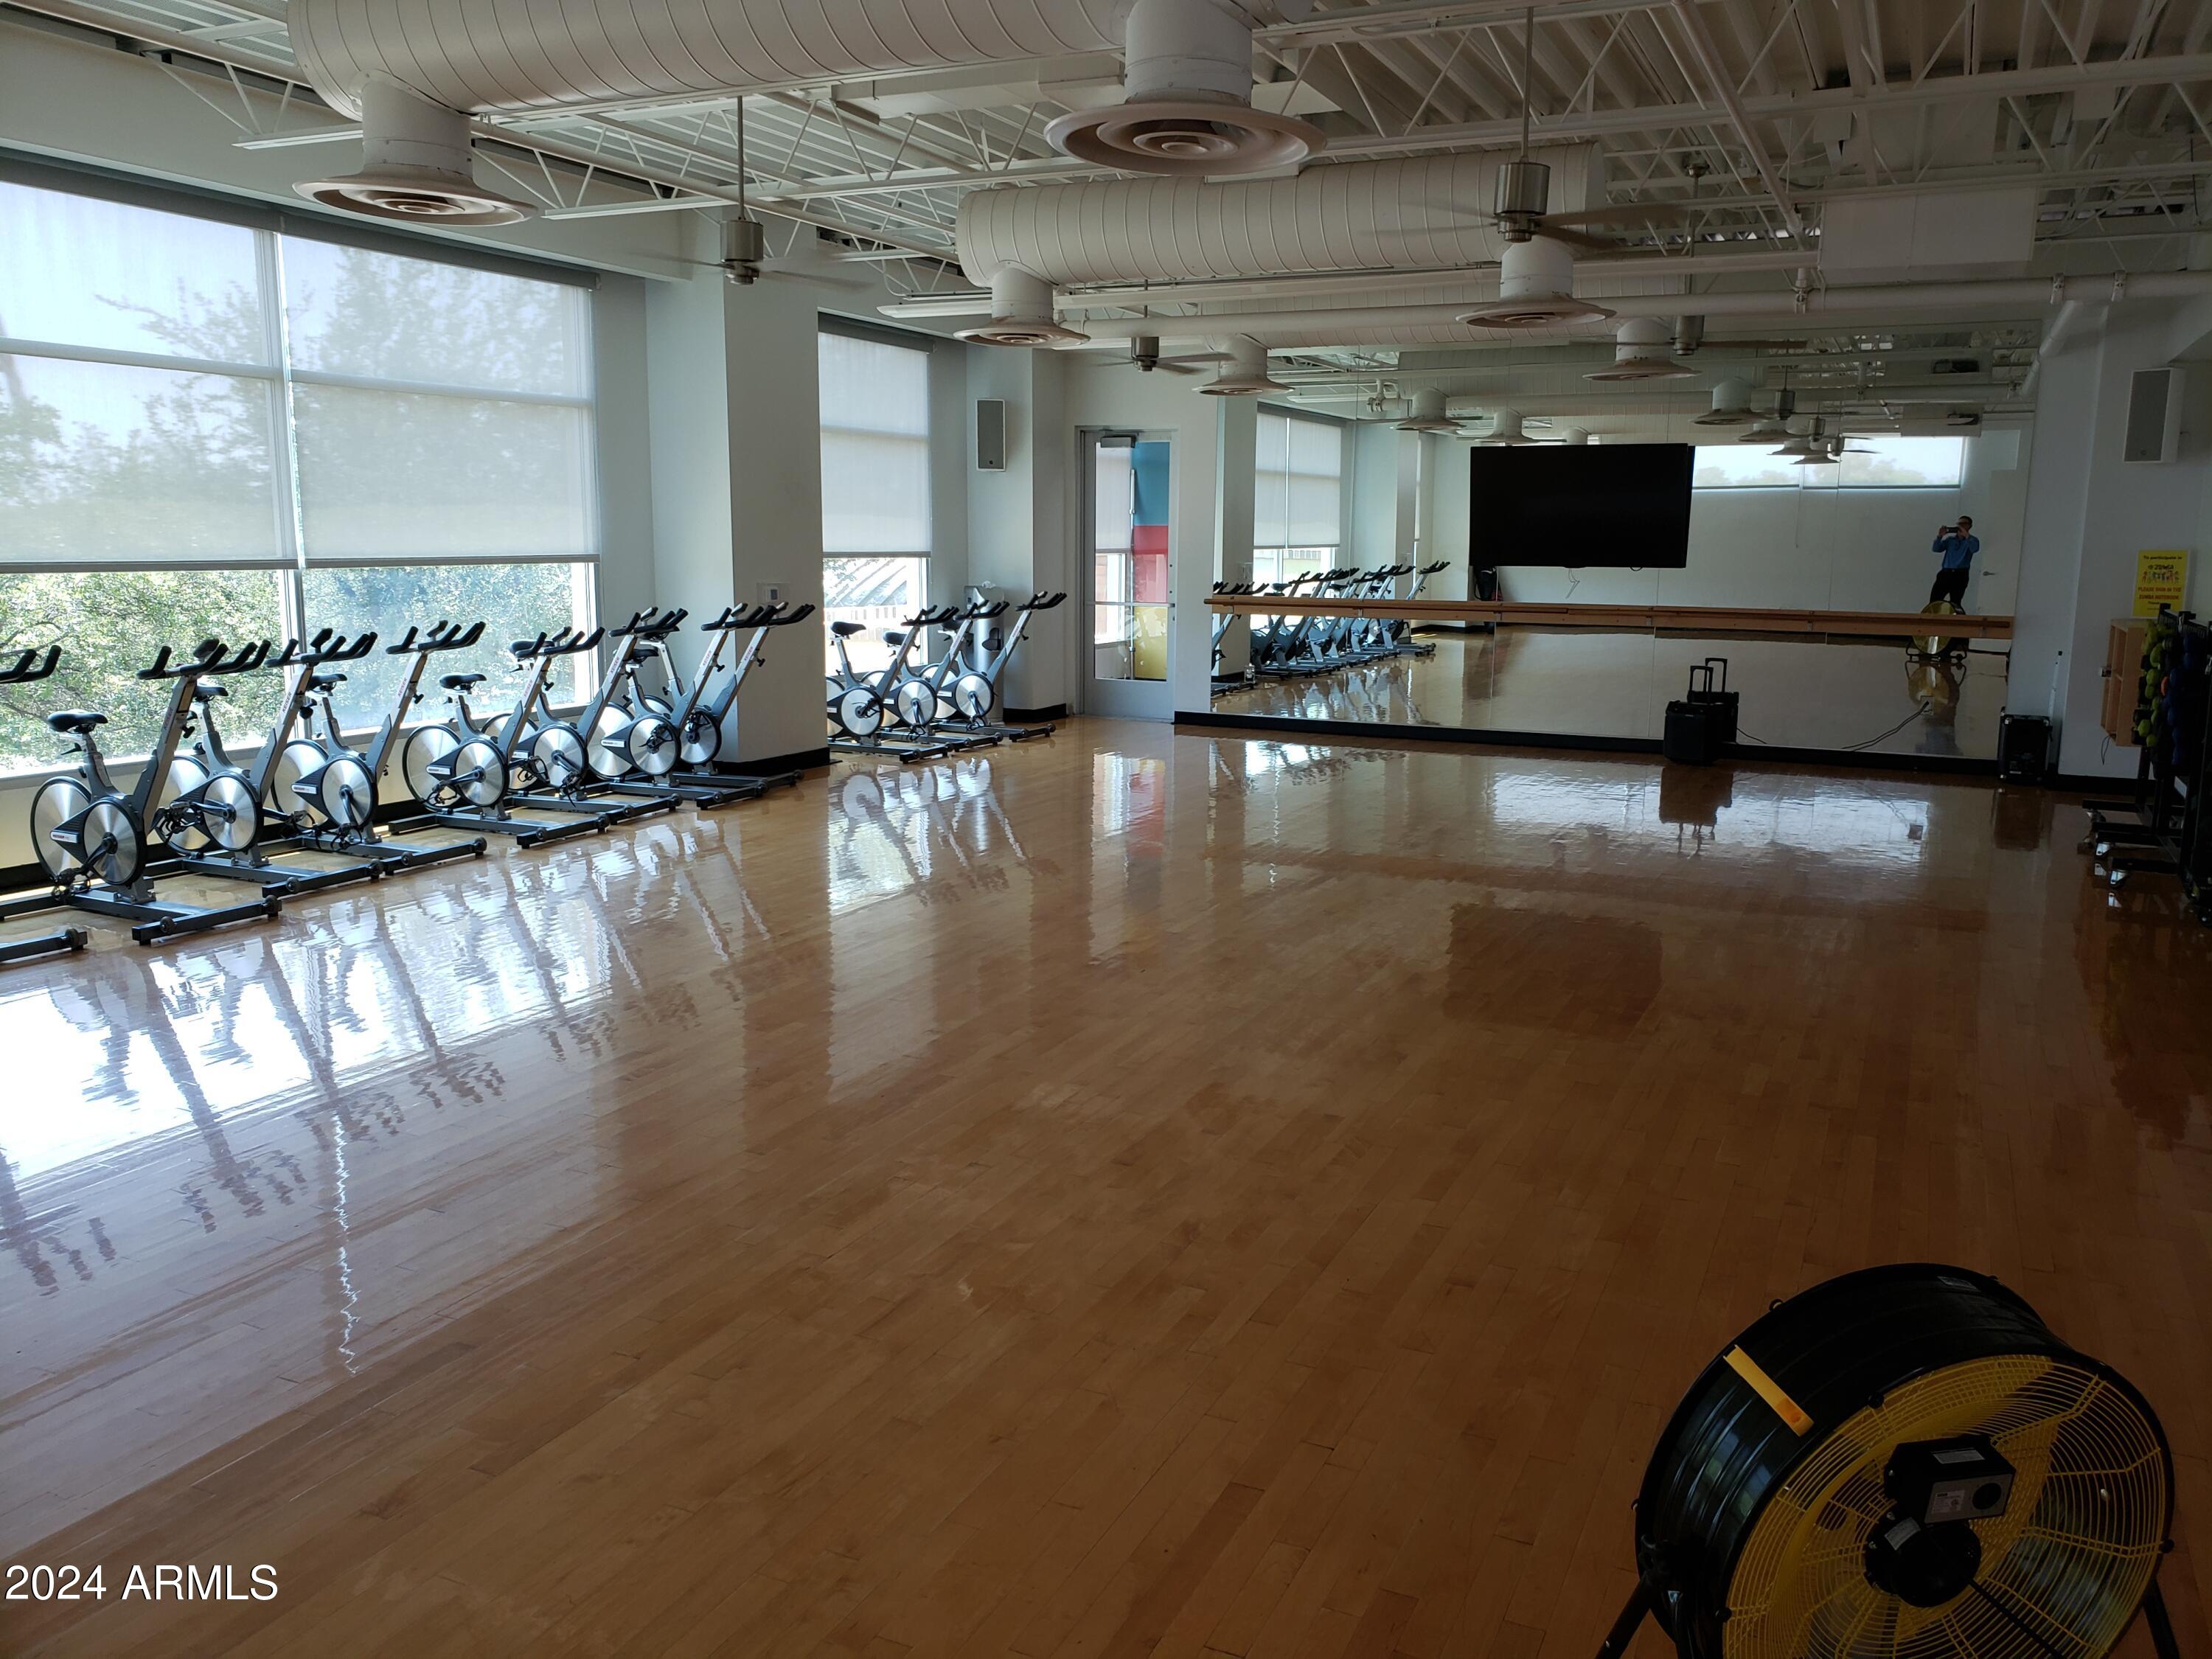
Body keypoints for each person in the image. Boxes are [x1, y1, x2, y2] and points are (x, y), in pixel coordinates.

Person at [1929, 516, 1978, 608]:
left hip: (1960, 574)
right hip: (1945, 573)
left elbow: (1975, 549)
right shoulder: (1950, 540)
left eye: (1964, 524)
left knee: (1955, 602)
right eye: (1959, 524)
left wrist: (1966, 535)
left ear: (1970, 526)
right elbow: (1936, 549)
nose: (1961, 526)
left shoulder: (1972, 540)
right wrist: (1940, 536)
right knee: (1935, 600)